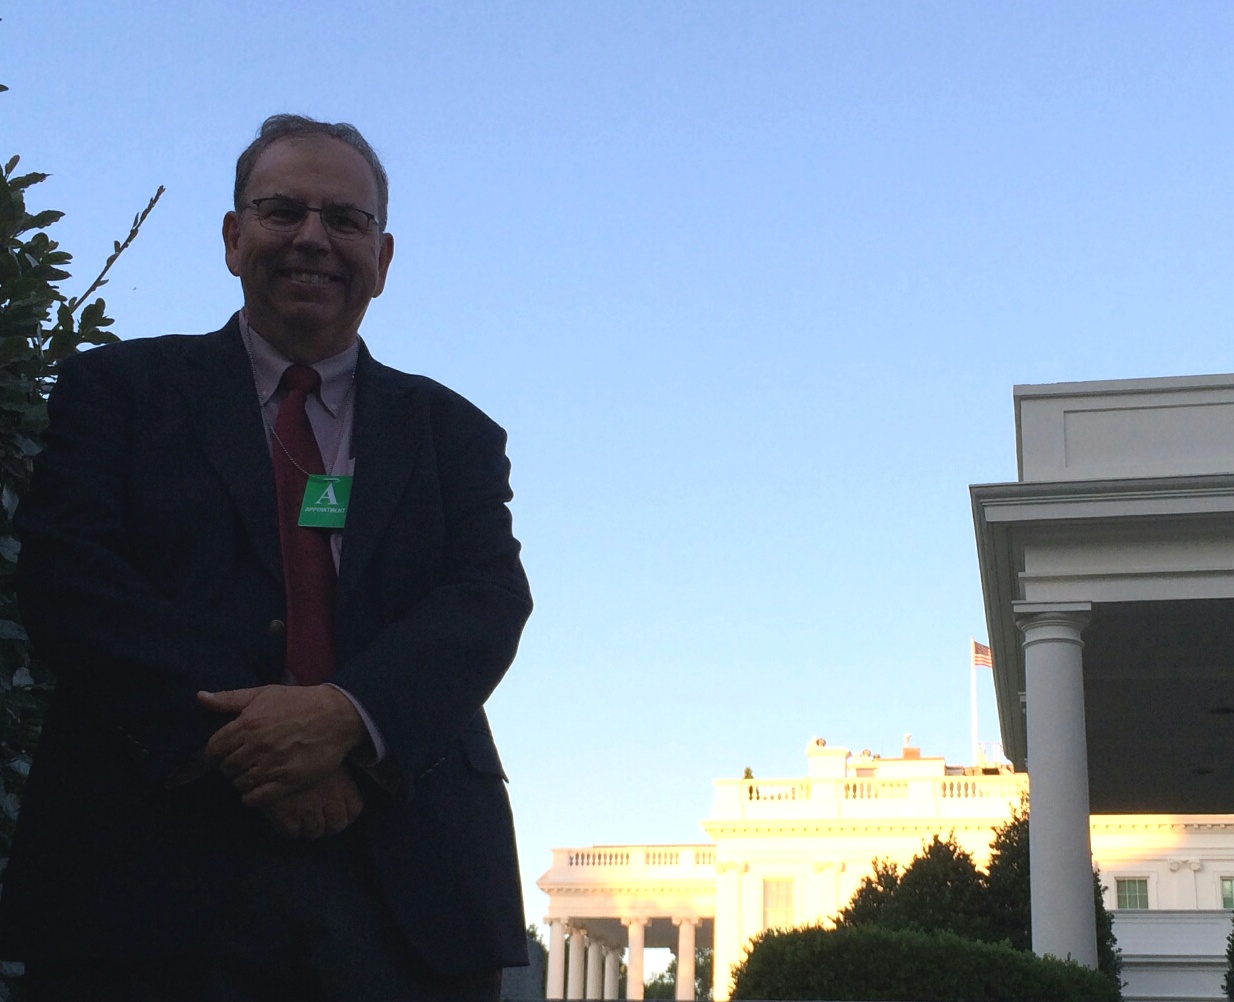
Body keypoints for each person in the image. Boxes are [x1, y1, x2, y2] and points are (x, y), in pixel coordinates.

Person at [0, 114, 532, 1001]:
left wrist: (347, 720)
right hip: (144, 873)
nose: (314, 239)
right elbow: (70, 581)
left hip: (405, 885)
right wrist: (258, 743)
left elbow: (485, 602)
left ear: (384, 257)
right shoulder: (118, 394)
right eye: (284, 210)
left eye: (346, 220)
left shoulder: (456, 435)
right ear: (232, 236)